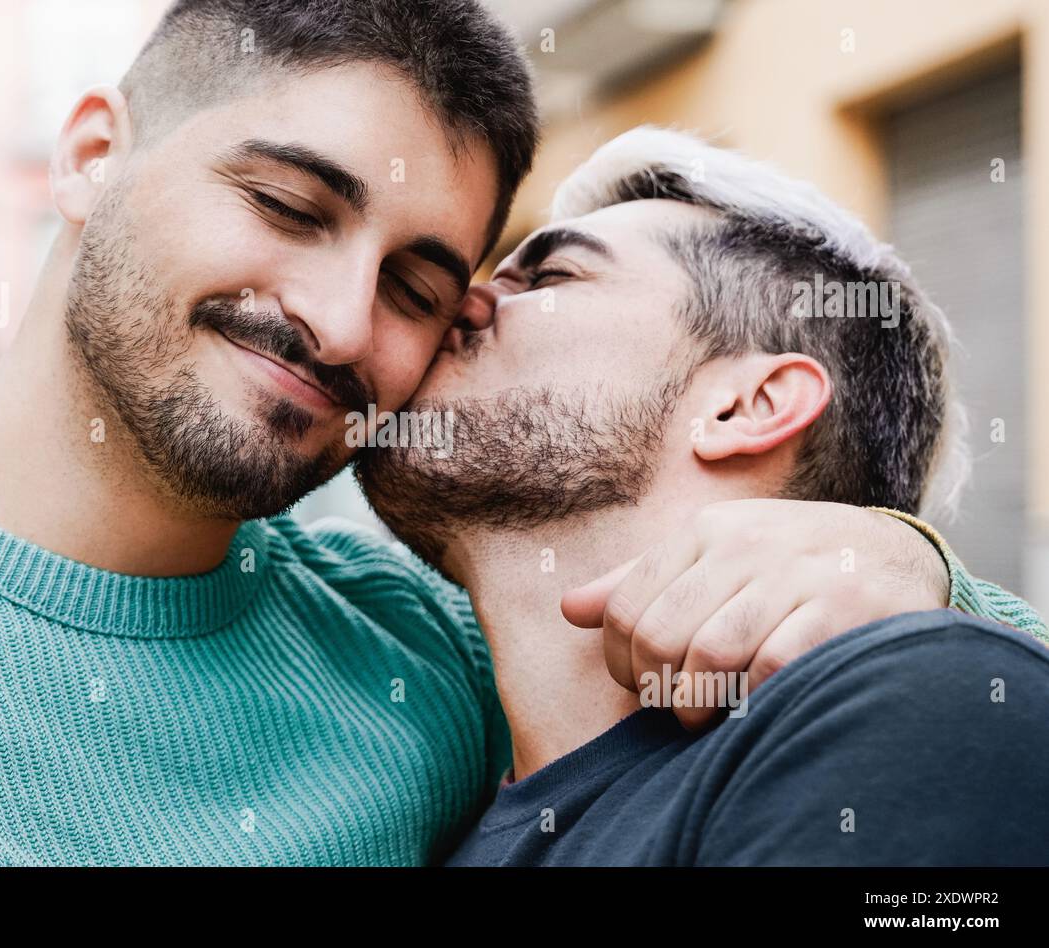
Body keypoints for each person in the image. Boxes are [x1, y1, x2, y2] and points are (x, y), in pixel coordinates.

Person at [0, 2, 1035, 866]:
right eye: (287, 203)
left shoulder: (428, 652)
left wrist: (908, 566)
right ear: (91, 155)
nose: (338, 319)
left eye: (422, 286)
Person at [355, 126, 1049, 865]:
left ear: (748, 405)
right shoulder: (435, 804)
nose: (460, 301)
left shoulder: (910, 710)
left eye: (549, 278)